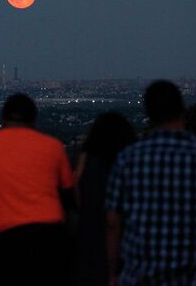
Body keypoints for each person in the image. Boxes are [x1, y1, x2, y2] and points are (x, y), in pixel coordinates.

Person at [106, 80, 196, 285]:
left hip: (140, 276)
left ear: (150, 114)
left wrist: (112, 272)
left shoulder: (127, 160)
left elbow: (112, 222)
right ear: (182, 108)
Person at [0, 93, 74, 286]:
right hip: (51, 236)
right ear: (34, 120)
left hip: (7, 238)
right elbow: (67, 192)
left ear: (3, 119)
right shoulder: (53, 146)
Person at [73, 112, 136, 286]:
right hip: (124, 244)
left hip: (88, 242)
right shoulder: (129, 166)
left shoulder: (87, 162)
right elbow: (113, 221)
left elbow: (78, 192)